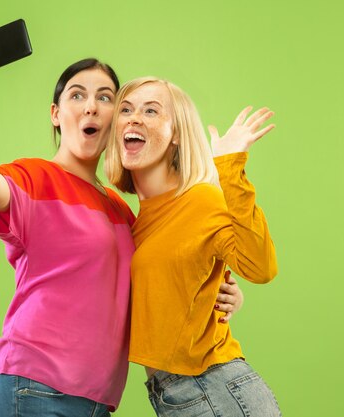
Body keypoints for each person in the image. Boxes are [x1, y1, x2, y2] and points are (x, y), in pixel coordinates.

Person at [0, 37, 243, 417]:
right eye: (77, 96)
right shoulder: (36, 179)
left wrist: (218, 293)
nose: (91, 106)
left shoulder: (122, 212)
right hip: (30, 391)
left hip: (94, 405)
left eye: (106, 98)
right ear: (56, 114)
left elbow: (156, 282)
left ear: (117, 120)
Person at [105, 77, 282, 416]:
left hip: (215, 388)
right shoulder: (134, 223)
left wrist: (229, 166)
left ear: (176, 135)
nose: (133, 118)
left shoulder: (200, 199)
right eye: (125, 109)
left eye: (151, 110)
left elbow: (260, 267)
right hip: (176, 395)